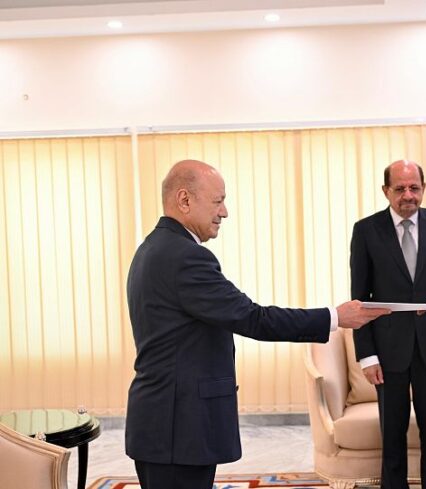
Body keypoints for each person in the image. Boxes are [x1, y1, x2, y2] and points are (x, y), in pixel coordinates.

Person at [125, 159, 389, 489]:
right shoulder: (185, 257)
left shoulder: (154, 248)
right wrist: (336, 317)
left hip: (166, 424)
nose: (224, 212)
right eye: (218, 201)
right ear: (184, 200)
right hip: (179, 427)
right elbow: (253, 318)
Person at [350, 160, 426, 489]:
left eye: (414, 188)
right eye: (400, 188)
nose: (408, 195)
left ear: (423, 188)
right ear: (385, 191)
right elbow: (359, 299)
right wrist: (367, 355)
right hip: (388, 351)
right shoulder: (366, 231)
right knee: (392, 434)